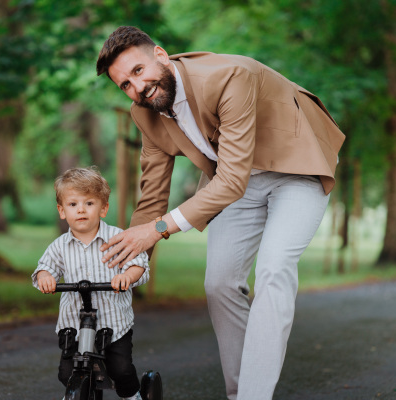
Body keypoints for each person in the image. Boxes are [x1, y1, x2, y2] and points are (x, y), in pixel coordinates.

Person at [95, 26, 345, 400]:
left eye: (137, 71)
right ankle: (239, 393)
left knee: (274, 271)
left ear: (160, 55)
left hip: (295, 167)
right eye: (125, 85)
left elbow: (231, 180)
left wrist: (160, 229)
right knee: (219, 284)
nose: (137, 88)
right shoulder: (145, 114)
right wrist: (132, 263)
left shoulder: (229, 77)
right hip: (236, 182)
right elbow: (151, 199)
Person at [32, 166, 149, 400]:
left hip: (113, 323)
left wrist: (127, 276)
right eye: (73, 204)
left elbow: (138, 263)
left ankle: (132, 395)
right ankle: (76, 392)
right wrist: (46, 278)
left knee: (121, 370)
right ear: (62, 211)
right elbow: (45, 267)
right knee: (67, 372)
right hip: (73, 324)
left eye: (89, 203)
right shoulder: (59, 246)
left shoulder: (118, 239)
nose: (81, 210)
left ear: (103, 208)